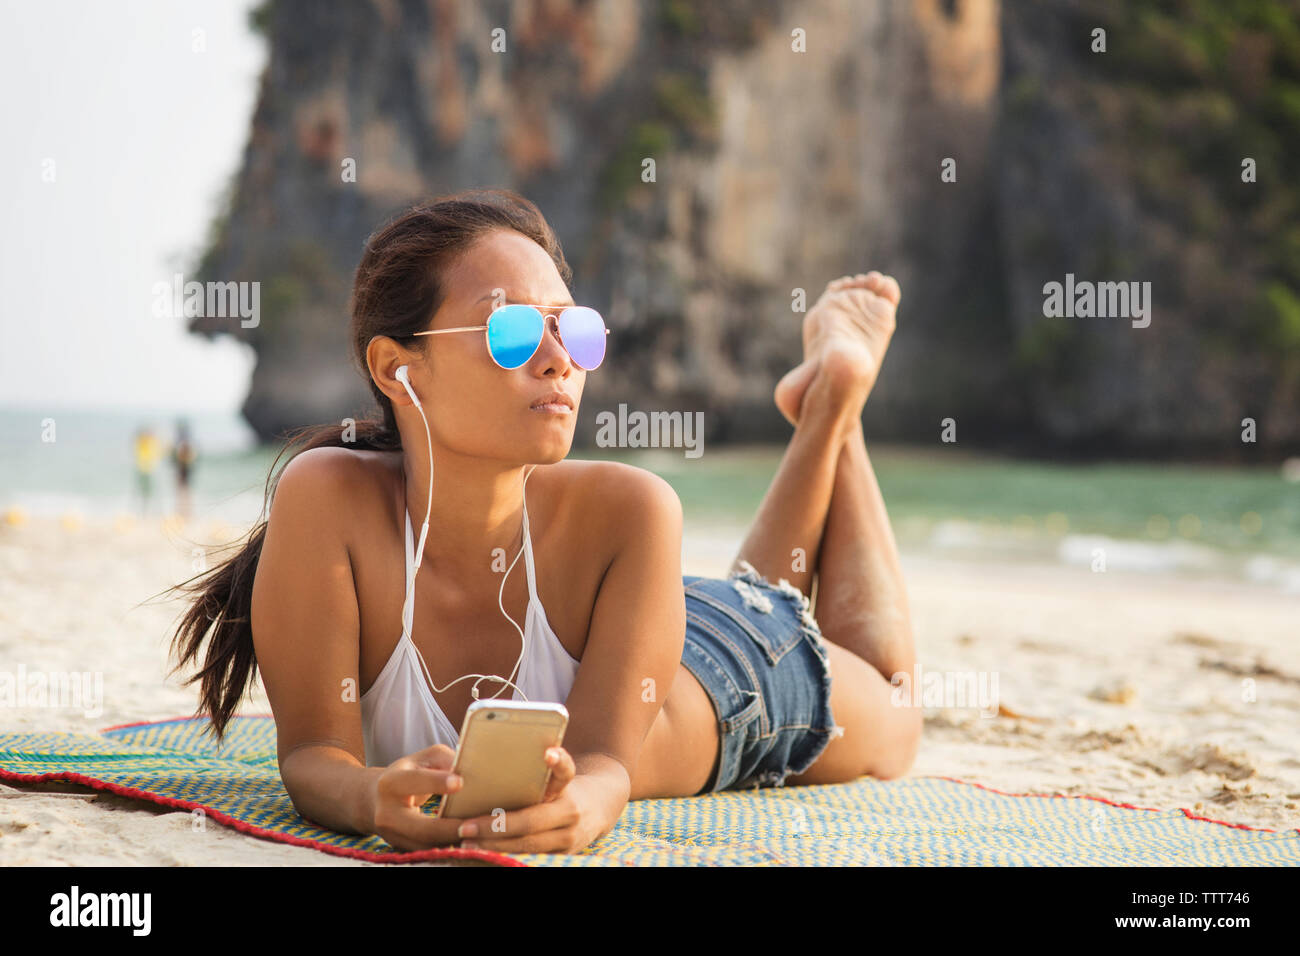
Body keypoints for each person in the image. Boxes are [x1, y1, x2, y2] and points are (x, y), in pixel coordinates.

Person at [164, 188, 919, 855]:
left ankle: (836, 405)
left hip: (740, 686)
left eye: (575, 331)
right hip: (650, 631)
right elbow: (313, 755)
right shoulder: (325, 501)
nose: (561, 361)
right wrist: (366, 799)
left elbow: (603, 773)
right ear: (400, 368)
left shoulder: (635, 509)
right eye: (516, 332)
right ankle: (825, 402)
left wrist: (583, 806)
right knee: (760, 592)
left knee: (895, 709)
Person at [132, 426, 163, 516]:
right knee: (142, 492)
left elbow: (158, 451)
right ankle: (142, 511)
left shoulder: (150, 443)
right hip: (143, 470)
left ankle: (152, 511)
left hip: (149, 470)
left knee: (152, 492)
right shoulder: (141, 443)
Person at [172, 418, 197, 519]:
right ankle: (185, 513)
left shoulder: (181, 443)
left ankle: (184, 513)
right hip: (185, 468)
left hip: (183, 469)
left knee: (182, 492)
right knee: (185, 492)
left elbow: (178, 457)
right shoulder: (186, 442)